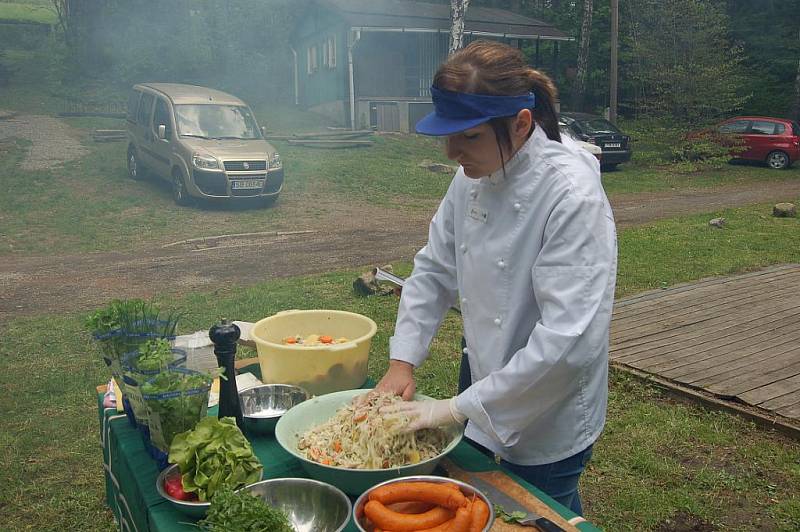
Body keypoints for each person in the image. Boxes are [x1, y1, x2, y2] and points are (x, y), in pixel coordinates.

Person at [376, 40, 617, 516]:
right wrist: (402, 360)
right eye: (448, 136)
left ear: (521, 124)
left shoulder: (571, 196)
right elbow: (434, 268)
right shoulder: (475, 170)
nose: (451, 152)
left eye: (467, 136)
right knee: (497, 503)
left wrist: (451, 410)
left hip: (551, 401)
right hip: (486, 368)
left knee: (538, 510)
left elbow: (568, 343)